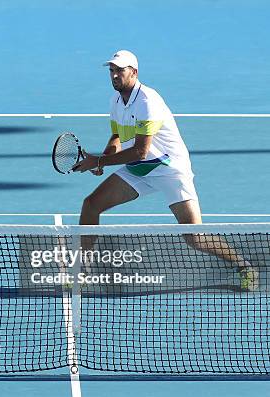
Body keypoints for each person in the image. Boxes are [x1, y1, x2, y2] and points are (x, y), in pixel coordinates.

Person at [73, 50, 258, 291]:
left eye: (120, 70)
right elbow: (118, 135)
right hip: (140, 169)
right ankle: (82, 269)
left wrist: (99, 162)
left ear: (134, 72)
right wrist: (106, 157)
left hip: (169, 169)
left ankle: (244, 266)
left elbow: (140, 151)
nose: (115, 75)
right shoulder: (116, 101)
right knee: (91, 205)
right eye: (112, 70)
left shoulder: (148, 101)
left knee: (195, 238)